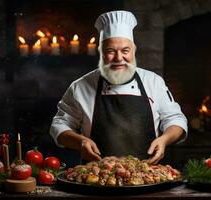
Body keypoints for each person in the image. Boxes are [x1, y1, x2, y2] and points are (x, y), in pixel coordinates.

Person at [50, 10, 188, 164]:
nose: (119, 58)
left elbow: (175, 119)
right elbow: (59, 125)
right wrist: (80, 141)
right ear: (101, 52)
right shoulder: (80, 87)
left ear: (134, 51)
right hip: (96, 179)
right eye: (110, 51)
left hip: (149, 177)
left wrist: (165, 139)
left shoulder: (154, 82)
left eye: (125, 51)